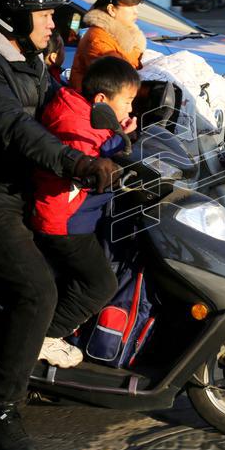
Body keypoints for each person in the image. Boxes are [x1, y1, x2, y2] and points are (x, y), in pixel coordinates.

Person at [0, 0, 120, 450]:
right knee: (37, 289)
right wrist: (77, 163)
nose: (53, 24)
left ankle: (26, 353)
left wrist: (125, 113)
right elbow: (16, 128)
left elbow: (63, 104)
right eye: (44, 14)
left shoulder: (26, 55)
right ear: (12, 18)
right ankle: (1, 416)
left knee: (93, 273)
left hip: (20, 191)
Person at [30, 56, 140, 339]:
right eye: (127, 101)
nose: (130, 108)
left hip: (79, 214)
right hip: (63, 221)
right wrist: (120, 142)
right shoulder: (72, 123)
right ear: (102, 98)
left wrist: (119, 134)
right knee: (102, 285)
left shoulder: (83, 110)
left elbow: (100, 139)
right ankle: (46, 338)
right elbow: (89, 153)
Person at [70, 0, 146, 92]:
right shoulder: (98, 39)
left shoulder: (116, 35)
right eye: (130, 7)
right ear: (111, 10)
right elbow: (119, 79)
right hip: (95, 107)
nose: (135, 12)